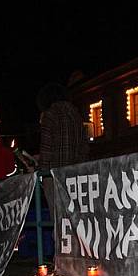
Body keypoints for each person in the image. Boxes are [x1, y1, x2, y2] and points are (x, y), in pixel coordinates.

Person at [37, 81, 88, 214]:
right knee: (74, 215)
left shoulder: (50, 115)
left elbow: (46, 149)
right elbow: (84, 147)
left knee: (57, 216)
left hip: (54, 175)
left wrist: (42, 172)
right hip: (76, 174)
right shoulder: (77, 115)